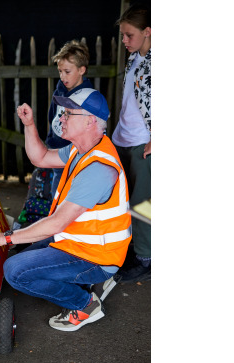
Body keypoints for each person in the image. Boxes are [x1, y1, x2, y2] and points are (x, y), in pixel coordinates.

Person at [0, 88, 132, 331]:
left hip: (97, 257)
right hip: (78, 242)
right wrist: (29, 124)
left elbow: (57, 223)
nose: (61, 118)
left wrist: (5, 238)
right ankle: (82, 285)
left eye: (69, 114)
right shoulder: (84, 149)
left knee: (15, 271)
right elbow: (42, 157)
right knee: (23, 253)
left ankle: (85, 304)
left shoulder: (98, 169)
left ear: (90, 121)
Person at [93, 3, 151, 301]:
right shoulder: (133, 60)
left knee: (144, 203)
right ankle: (125, 250)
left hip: (146, 143)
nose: (125, 41)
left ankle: (145, 258)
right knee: (123, 200)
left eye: (129, 35)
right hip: (122, 138)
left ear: (147, 32)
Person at [45, 40, 93, 197]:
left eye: (67, 71)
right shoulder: (58, 91)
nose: (62, 76)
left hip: (77, 156)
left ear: (81, 70)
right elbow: (51, 117)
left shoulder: (88, 97)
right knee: (57, 192)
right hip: (57, 152)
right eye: (60, 71)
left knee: (74, 194)